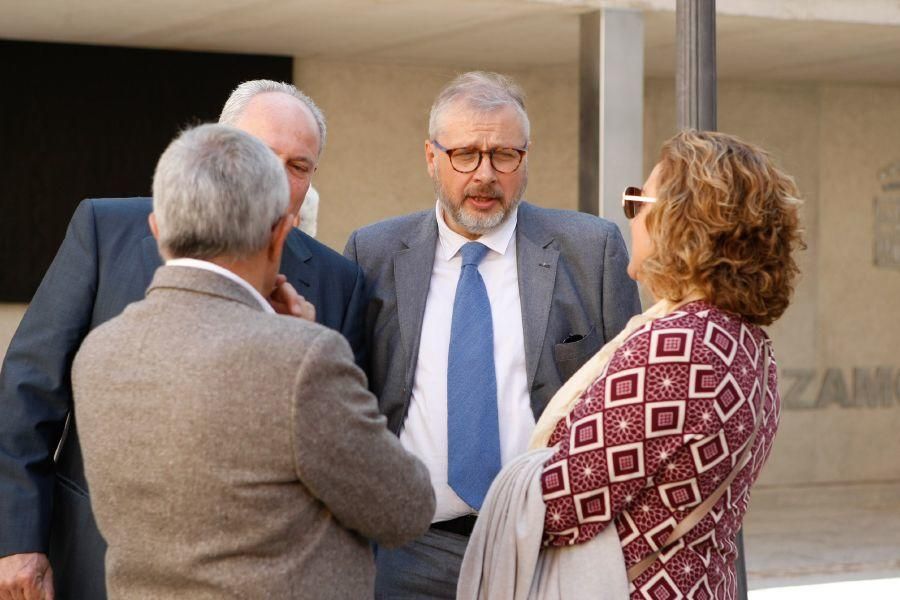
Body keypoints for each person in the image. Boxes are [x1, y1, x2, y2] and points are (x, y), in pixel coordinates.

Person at [0, 80, 365, 599]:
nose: (277, 182)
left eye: (299, 166)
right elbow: (27, 392)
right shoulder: (107, 231)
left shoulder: (339, 283)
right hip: (96, 564)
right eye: (259, 155)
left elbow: (343, 450)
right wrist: (17, 539)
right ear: (214, 148)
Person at [70, 123, 434, 599]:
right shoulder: (302, 357)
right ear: (278, 235)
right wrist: (307, 340)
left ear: (158, 229)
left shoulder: (100, 349)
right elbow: (404, 508)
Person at [344, 71, 642, 598]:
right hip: (408, 551)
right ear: (432, 158)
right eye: (466, 154)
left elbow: (629, 404)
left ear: (526, 159)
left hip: (547, 545)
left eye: (505, 155)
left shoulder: (592, 250)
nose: (485, 174)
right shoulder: (374, 254)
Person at [516, 130, 802, 599]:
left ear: (681, 218)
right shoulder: (746, 342)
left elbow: (563, 503)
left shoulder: (678, 347)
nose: (629, 216)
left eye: (637, 201)